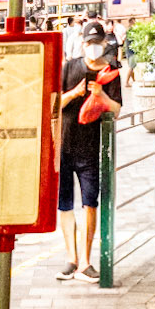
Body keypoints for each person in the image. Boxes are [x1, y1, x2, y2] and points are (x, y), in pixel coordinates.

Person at [56, 21, 122, 281]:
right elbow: (54, 103)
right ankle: (71, 259)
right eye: (89, 43)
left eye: (98, 43)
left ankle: (85, 261)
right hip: (64, 145)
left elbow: (116, 109)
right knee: (65, 204)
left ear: (104, 44)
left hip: (91, 148)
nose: (93, 48)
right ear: (82, 44)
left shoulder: (111, 71)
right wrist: (73, 94)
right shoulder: (69, 68)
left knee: (90, 204)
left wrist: (102, 96)